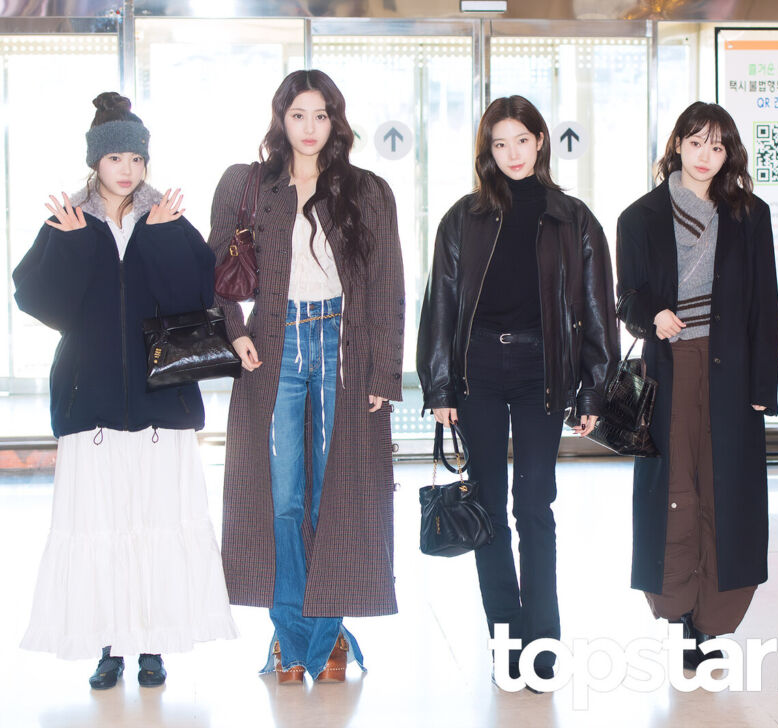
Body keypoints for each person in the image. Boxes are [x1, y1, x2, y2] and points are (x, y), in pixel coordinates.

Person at [14, 92, 237, 689]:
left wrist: (162, 239)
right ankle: (110, 645)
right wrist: (69, 244)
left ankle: (152, 645)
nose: (127, 169)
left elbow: (196, 300)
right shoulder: (70, 220)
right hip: (90, 401)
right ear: (96, 160)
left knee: (156, 523)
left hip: (159, 400)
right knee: (102, 526)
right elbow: (43, 305)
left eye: (136, 158)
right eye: (116, 157)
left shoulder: (165, 217)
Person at [211, 70, 404, 684]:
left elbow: (388, 285)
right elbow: (215, 270)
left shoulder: (367, 191)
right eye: (298, 115)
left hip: (343, 347)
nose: (310, 127)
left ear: (336, 120)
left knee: (336, 495)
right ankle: (291, 635)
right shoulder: (247, 185)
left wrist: (383, 372)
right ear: (281, 119)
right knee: (282, 497)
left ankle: (325, 636)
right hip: (275, 345)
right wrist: (234, 331)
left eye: (321, 115)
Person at [416, 95, 617, 685]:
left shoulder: (573, 218)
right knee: (488, 508)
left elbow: (597, 308)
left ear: (540, 141)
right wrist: (440, 385)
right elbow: (441, 303)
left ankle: (543, 644)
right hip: (477, 370)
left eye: (522, 140)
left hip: (541, 372)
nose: (512, 153)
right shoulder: (463, 218)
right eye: (500, 143)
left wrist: (593, 389)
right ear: (488, 149)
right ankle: (506, 642)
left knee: (534, 506)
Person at [616, 101, 778, 669]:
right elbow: (626, 297)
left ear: (729, 152)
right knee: (674, 485)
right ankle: (681, 616)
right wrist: (652, 314)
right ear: (677, 146)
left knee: (725, 489)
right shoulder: (639, 217)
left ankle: (712, 622)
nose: (706, 156)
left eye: (717, 145)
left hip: (731, 370)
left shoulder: (750, 215)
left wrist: (763, 385)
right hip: (670, 368)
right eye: (696, 143)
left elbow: (764, 304)